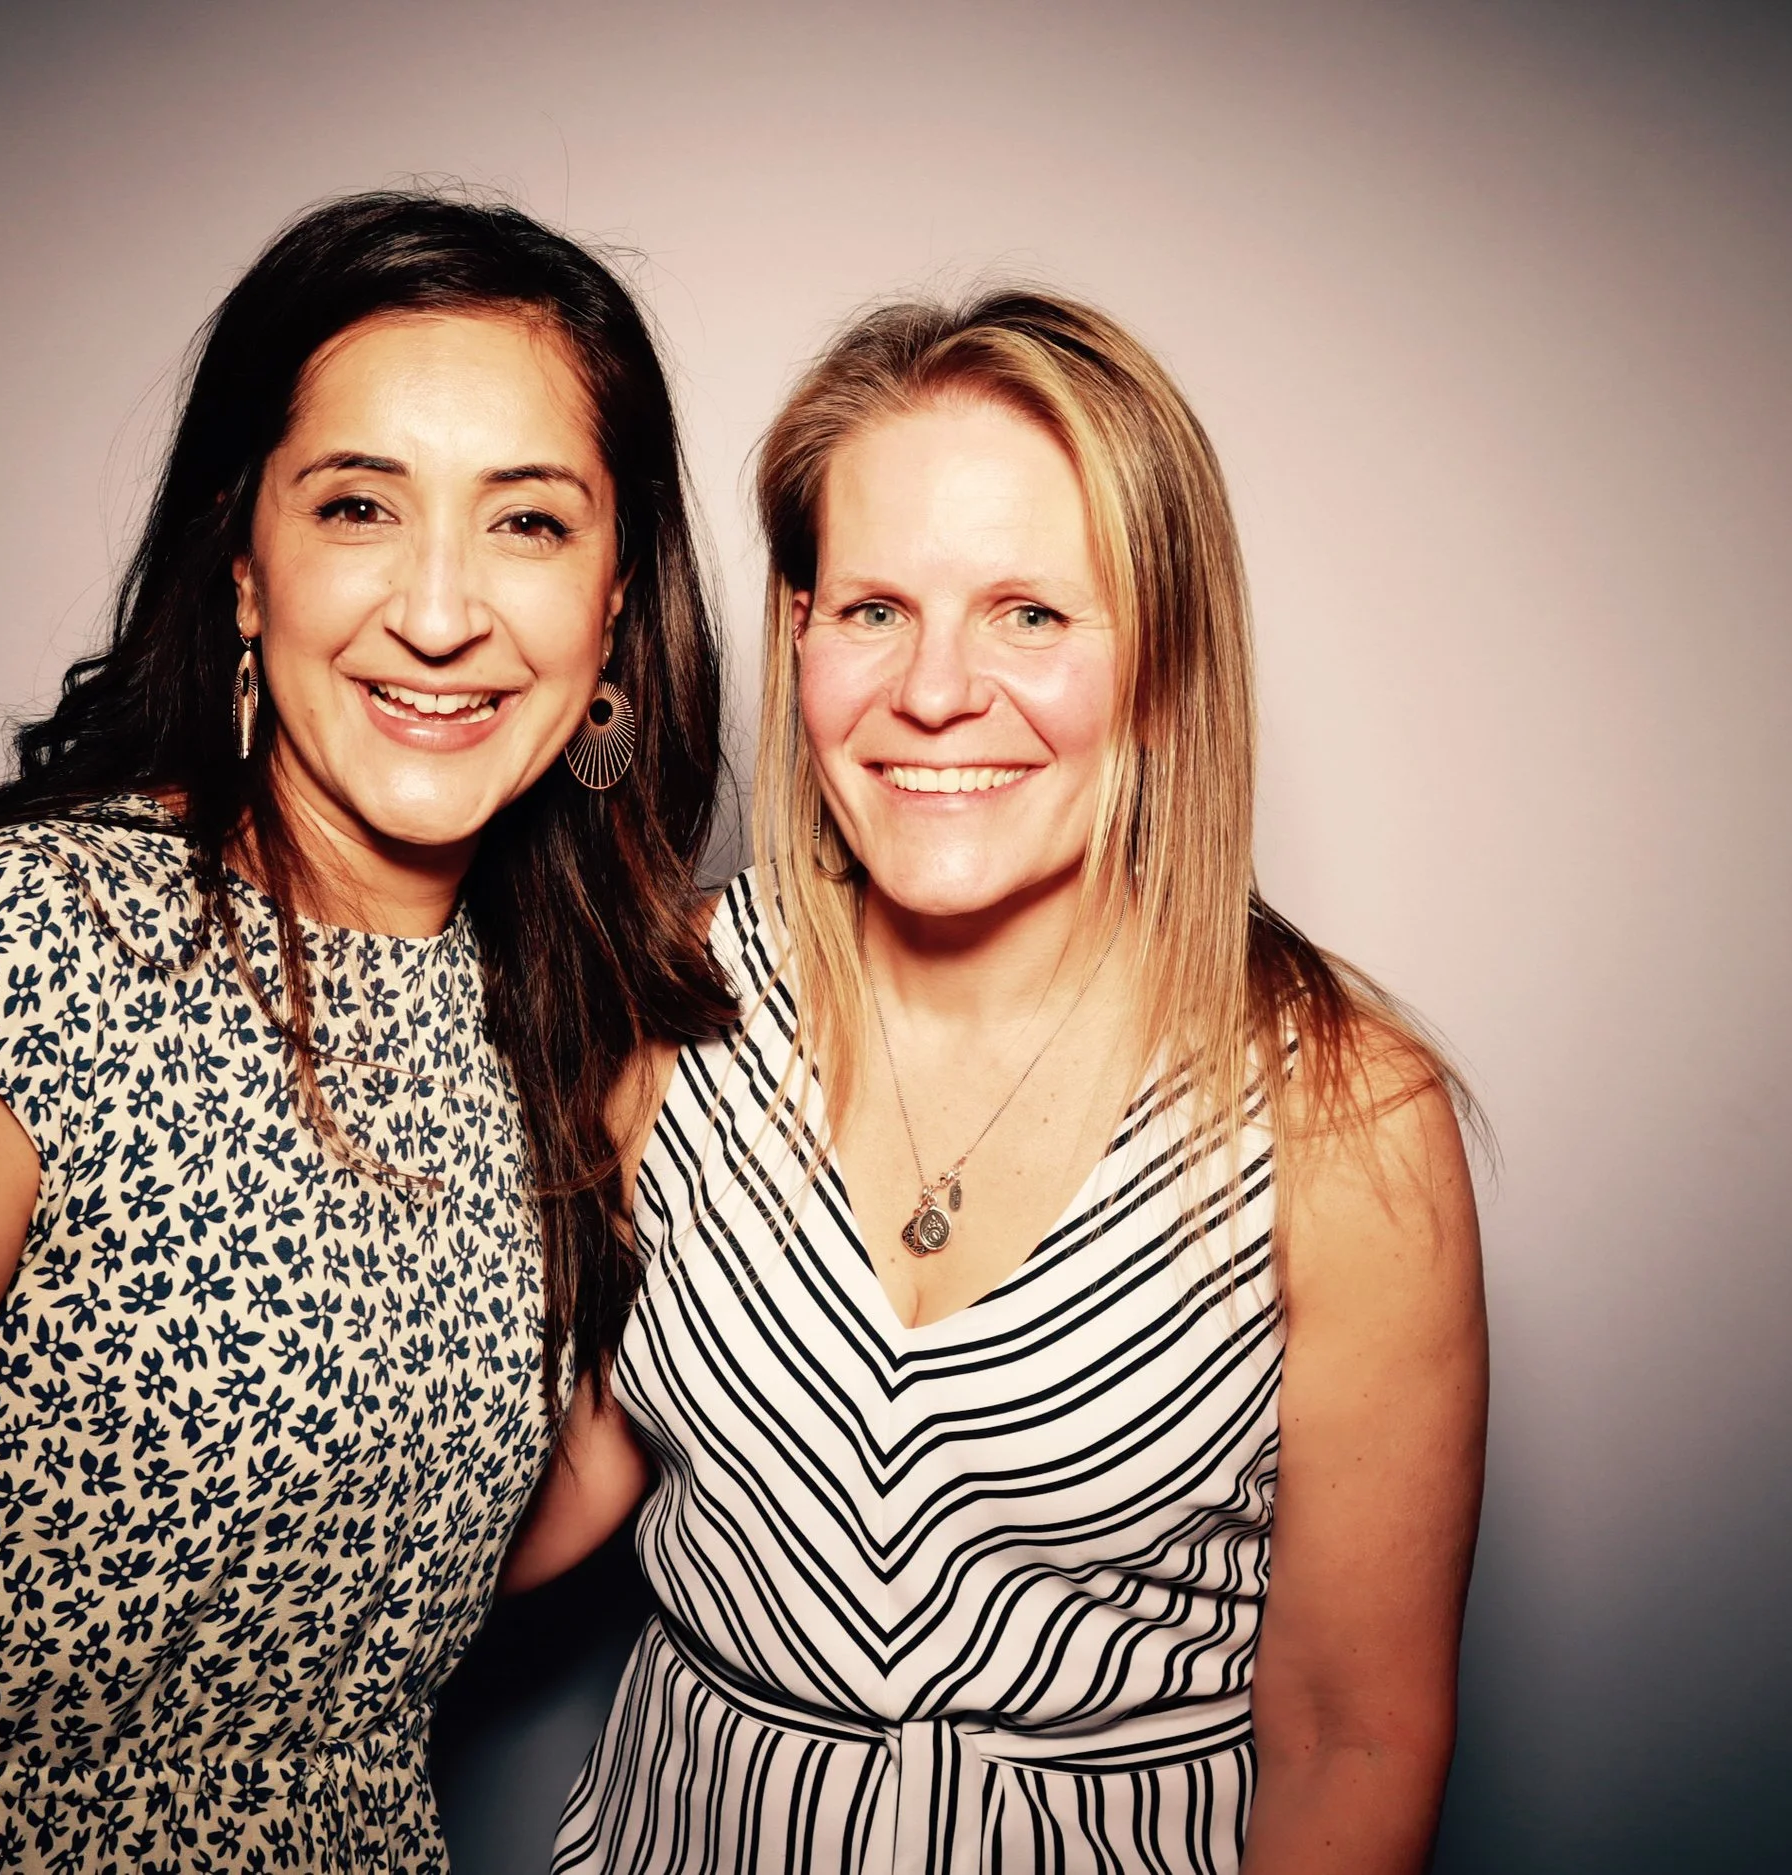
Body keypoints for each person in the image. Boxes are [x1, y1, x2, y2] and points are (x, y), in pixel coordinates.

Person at [0, 191, 734, 1874]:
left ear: (613, 611)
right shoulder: (8, 946)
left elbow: (438, 1554)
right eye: (359, 505)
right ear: (244, 562)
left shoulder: (542, 1020)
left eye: (527, 524)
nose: (442, 613)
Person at [510, 290, 1488, 1873]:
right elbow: (552, 1484)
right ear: (804, 632)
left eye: (1031, 612)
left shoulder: (1346, 1118)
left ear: (1165, 663)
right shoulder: (666, 1008)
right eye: (875, 607)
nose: (938, 692)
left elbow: (1351, 1732)